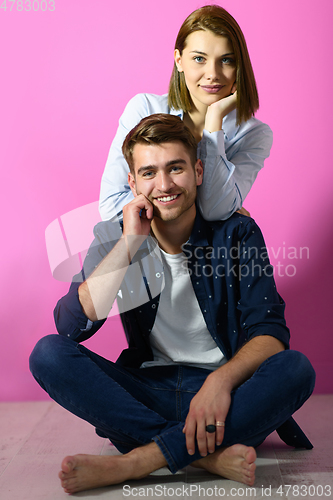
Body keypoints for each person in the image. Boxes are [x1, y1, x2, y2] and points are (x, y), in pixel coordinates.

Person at [30, 115, 315, 495]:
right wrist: (130, 244)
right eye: (148, 172)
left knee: (295, 368)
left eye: (175, 168)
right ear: (132, 182)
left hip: (224, 401)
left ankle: (139, 459)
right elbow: (71, 327)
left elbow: (271, 333)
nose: (163, 185)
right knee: (47, 354)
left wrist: (220, 381)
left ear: (198, 171)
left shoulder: (237, 232)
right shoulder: (115, 235)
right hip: (147, 392)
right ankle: (203, 457)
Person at [99, 5, 273, 222]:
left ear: (240, 66)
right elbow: (111, 207)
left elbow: (214, 210)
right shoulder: (144, 109)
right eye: (199, 59)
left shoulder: (253, 134)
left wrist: (214, 120)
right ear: (179, 60)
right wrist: (191, 205)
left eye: (226, 60)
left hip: (205, 254)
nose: (213, 74)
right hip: (145, 251)